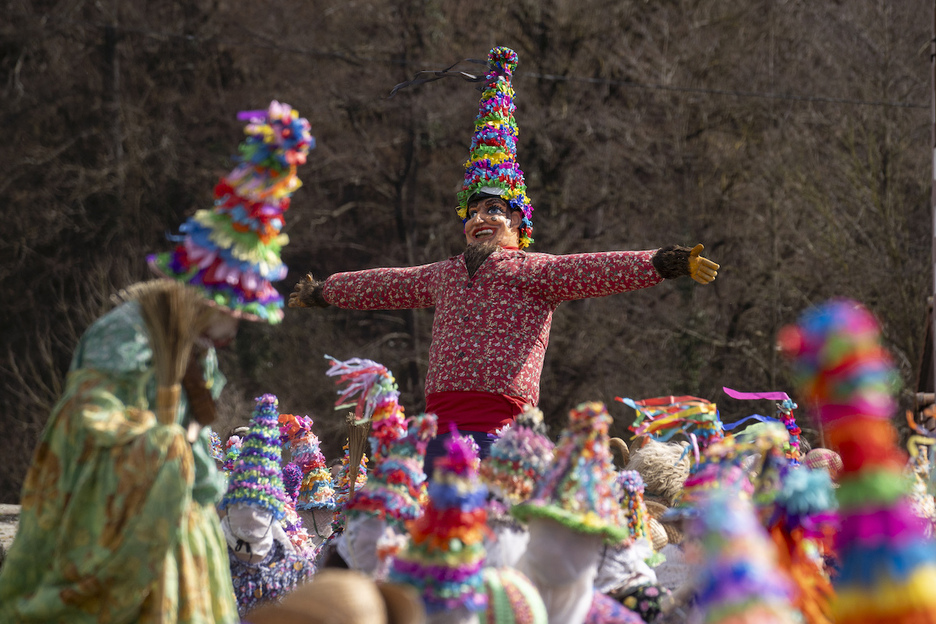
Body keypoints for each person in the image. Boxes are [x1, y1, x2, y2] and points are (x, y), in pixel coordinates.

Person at [289, 47, 719, 461]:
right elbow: (382, 285)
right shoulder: (444, 274)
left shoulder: (536, 272)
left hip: (505, 433)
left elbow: (598, 268)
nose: (479, 219)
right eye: (471, 211)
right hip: (439, 434)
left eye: (493, 209)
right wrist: (323, 291)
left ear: (519, 223)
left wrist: (666, 261)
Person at [0, 100, 314, 623]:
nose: (237, 330)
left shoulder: (200, 352)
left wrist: (206, 488)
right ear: (208, 302)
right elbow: (85, 418)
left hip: (179, 536)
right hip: (110, 533)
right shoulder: (126, 335)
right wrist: (166, 446)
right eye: (234, 314)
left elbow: (202, 455)